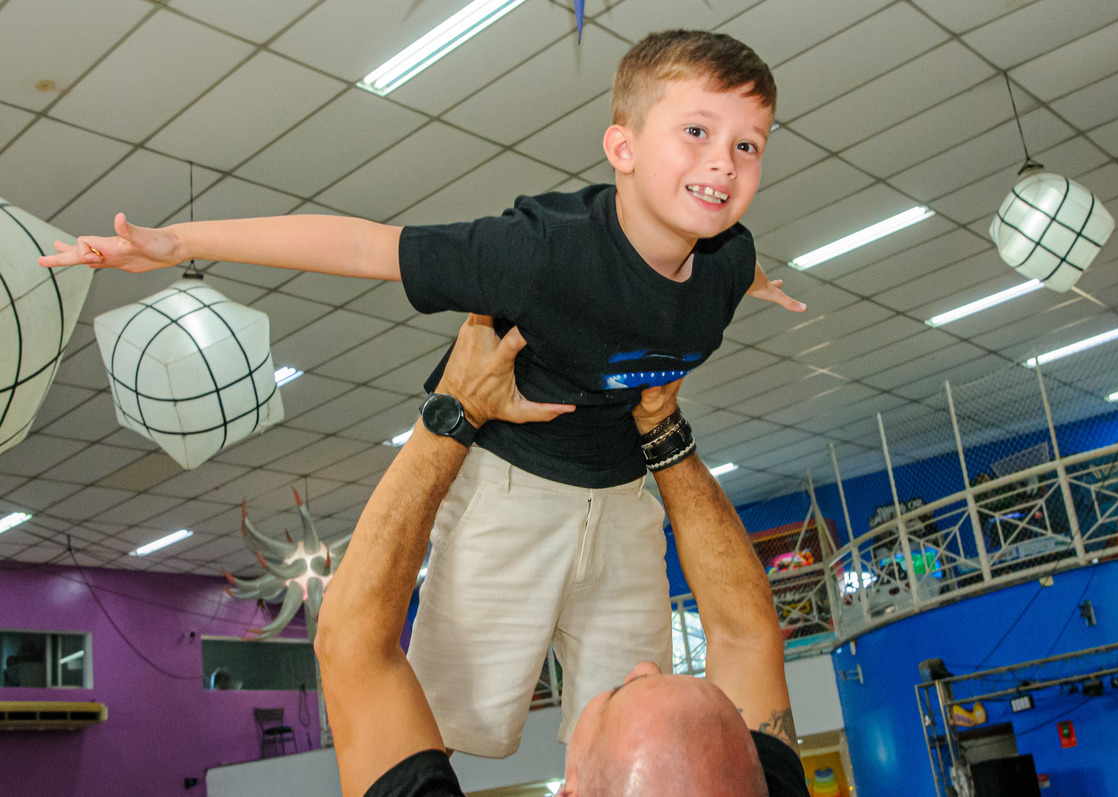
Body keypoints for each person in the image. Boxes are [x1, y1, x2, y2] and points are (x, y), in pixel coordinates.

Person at [40, 29, 804, 756]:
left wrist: (766, 286)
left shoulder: (727, 263)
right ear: (623, 146)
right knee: (445, 722)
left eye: (747, 145)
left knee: (637, 728)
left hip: (625, 498)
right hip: (512, 487)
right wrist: (182, 243)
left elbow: (741, 272)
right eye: (697, 133)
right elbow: (363, 243)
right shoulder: (537, 251)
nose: (724, 163)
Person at [315, 314, 806, 796]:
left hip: (517, 473)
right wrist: (661, 427)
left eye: (619, 693)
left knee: (434, 714)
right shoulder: (747, 781)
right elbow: (746, 635)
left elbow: (352, 646)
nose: (647, 667)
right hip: (607, 470)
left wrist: (457, 406)